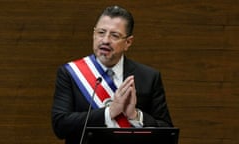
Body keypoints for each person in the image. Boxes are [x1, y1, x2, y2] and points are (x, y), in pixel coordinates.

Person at [52, 5, 173, 144]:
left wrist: (135, 116)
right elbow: (60, 126)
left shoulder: (148, 77)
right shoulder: (70, 73)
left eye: (114, 35)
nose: (105, 40)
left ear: (128, 42)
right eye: (101, 32)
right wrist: (109, 113)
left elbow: (167, 132)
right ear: (93, 34)